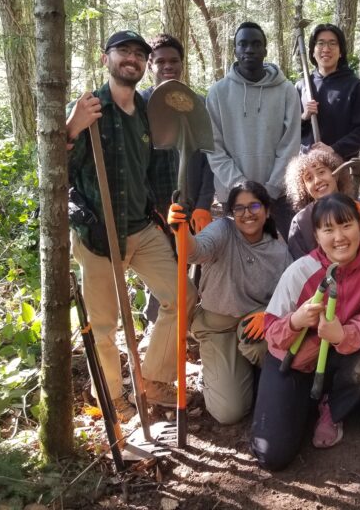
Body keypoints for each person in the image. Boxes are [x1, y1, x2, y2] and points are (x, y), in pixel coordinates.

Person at [66, 30, 197, 420]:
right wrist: (71, 129)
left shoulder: (145, 111)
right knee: (103, 328)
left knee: (182, 296)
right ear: (105, 57)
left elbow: (159, 171)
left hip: (141, 229)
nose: (132, 59)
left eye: (139, 54)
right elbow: (57, 171)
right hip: (99, 235)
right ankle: (112, 399)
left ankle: (154, 379)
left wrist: (170, 215)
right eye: (124, 51)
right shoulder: (88, 107)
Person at [250, 193, 360, 471]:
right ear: (316, 236)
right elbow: (271, 332)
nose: (339, 237)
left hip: (342, 353)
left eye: (346, 225)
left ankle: (333, 408)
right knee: (273, 456)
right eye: (328, 229)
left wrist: (342, 334)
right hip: (293, 360)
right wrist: (296, 320)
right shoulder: (300, 271)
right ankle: (293, 398)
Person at [168, 181, 292, 424]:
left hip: (254, 323)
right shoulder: (223, 230)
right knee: (229, 413)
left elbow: (291, 293)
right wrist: (180, 230)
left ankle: (265, 379)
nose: (247, 213)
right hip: (218, 327)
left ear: (267, 211)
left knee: (257, 345)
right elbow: (195, 251)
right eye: (239, 208)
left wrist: (269, 312)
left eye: (254, 206)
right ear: (231, 213)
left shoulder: (279, 248)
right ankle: (228, 373)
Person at [140, 33, 215, 324]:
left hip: (192, 202)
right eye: (160, 61)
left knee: (190, 263)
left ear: (182, 64)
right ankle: (156, 327)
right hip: (155, 208)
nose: (167, 66)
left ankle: (187, 327)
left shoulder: (197, 104)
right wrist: (148, 207)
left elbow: (210, 156)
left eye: (174, 60)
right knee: (160, 272)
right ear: (150, 65)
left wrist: (205, 203)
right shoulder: (142, 104)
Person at [206, 21, 301, 239]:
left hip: (278, 195)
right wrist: (241, 188)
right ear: (235, 50)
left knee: (284, 255)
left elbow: (291, 144)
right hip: (233, 196)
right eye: (243, 44)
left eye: (256, 44)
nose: (249, 49)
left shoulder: (286, 91)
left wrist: (271, 189)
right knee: (239, 260)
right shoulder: (217, 93)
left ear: (265, 50)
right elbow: (213, 147)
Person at [285, 148, 360, 259]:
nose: (317, 180)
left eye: (321, 172)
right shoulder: (301, 222)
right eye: (309, 178)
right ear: (303, 188)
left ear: (336, 174)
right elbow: (300, 266)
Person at [297, 24, 360, 160]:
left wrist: (334, 149)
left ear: (341, 51)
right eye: (321, 43)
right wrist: (304, 117)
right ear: (313, 51)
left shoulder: (355, 87)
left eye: (333, 43)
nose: (326, 49)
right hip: (307, 165)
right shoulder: (302, 86)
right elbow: (289, 132)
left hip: (341, 165)